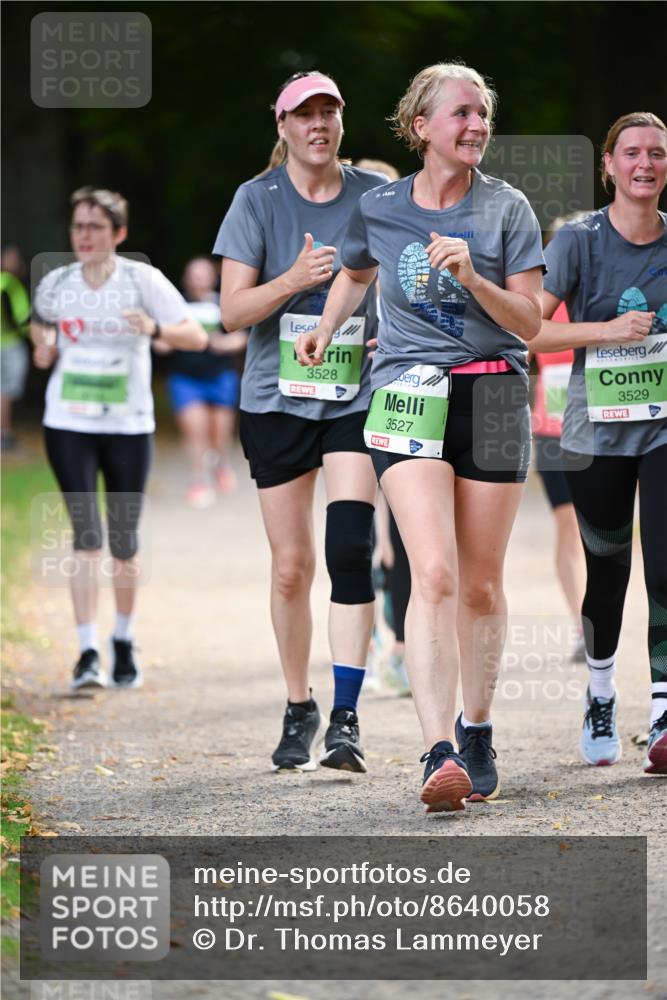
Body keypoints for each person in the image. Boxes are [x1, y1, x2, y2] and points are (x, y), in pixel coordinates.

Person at [296, 63, 545, 812]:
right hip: (405, 392)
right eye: (460, 114)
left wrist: (474, 278)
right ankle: (438, 750)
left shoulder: (508, 209)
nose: (475, 126)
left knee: (478, 582)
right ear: (419, 128)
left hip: (494, 392)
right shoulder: (378, 206)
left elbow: (530, 321)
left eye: (481, 114)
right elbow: (355, 271)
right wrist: (326, 327)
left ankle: (477, 726)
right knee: (430, 571)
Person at [214, 73, 388, 773]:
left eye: (330, 111)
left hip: (353, 395)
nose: (318, 124)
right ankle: (298, 705)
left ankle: (345, 720)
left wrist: (393, 334)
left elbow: (403, 278)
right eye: (304, 114)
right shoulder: (254, 200)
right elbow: (231, 312)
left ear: (342, 121)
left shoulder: (374, 196)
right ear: (281, 125)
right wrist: (291, 279)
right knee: (291, 567)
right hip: (275, 400)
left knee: (349, 549)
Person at [529, 112, 667, 775]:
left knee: (665, 566)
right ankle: (601, 692)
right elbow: (530, 333)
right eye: (632, 153)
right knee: (606, 572)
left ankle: (664, 710)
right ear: (607, 164)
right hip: (596, 433)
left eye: (658, 154)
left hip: (664, 425)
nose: (645, 164)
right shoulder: (577, 243)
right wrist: (605, 333)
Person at [31, 187, 206, 690]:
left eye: (95, 228)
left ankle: (123, 639)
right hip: (69, 422)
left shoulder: (142, 280)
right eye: (78, 227)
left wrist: (153, 328)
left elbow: (195, 336)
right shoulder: (57, 283)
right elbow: (41, 330)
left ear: (119, 234)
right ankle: (86, 649)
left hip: (128, 425)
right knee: (86, 537)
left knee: (124, 541)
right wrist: (43, 348)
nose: (84, 236)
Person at [530, 215, 589, 664]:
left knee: (607, 530)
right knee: (568, 526)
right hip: (551, 429)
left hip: (600, 426)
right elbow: (516, 341)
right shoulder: (541, 300)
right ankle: (581, 625)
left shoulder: (599, 295)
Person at [158, 256, 247, 508]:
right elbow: (162, 342)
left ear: (213, 277)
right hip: (185, 378)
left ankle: (220, 462)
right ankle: (199, 480)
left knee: (220, 434)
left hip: (220, 377)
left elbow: (243, 337)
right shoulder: (176, 307)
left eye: (203, 273)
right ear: (186, 278)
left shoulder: (224, 304)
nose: (198, 279)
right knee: (195, 431)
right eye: (193, 274)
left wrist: (223, 344)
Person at [1, 246, 31, 452]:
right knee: (5, 391)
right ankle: (4, 434)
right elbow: (23, 318)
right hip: (9, 345)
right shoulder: (10, 284)